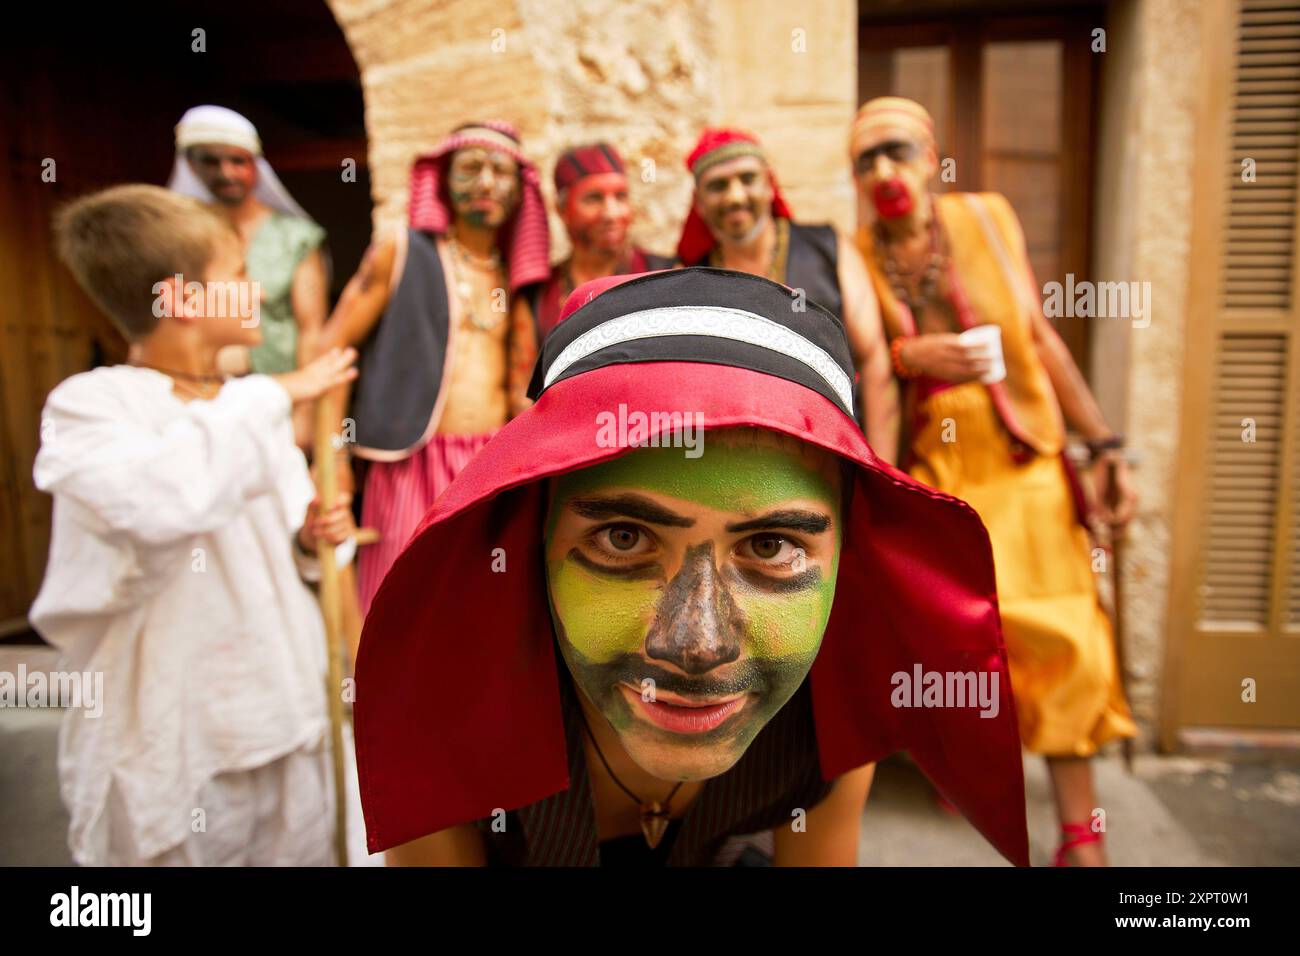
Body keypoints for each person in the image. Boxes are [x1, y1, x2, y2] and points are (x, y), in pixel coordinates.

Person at [353, 267, 1030, 867]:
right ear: (535, 538)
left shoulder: (831, 712)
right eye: (623, 538)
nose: (697, 645)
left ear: (847, 559)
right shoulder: (447, 705)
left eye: (770, 547)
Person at [32, 184, 360, 865]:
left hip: (280, 706)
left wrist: (306, 539)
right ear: (183, 300)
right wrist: (279, 390)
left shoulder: (245, 406)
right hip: (183, 734)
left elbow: (275, 544)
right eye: (238, 277)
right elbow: (165, 500)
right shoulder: (93, 408)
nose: (255, 291)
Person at [849, 96, 1138, 866]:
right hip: (940, 465)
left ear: (930, 154)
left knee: (1065, 633)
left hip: (1023, 453)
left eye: (897, 151)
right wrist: (918, 359)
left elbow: (1040, 338)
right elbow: (875, 366)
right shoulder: (857, 252)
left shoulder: (987, 217)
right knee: (966, 634)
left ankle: (1081, 835)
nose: (883, 171)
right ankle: (973, 763)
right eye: (865, 160)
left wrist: (1103, 440)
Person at [321, 121, 549, 615]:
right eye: (470, 168)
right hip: (409, 461)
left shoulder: (520, 276)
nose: (486, 182)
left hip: (491, 465)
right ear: (443, 179)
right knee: (399, 606)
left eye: (499, 171)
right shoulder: (400, 253)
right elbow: (331, 351)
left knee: (482, 610)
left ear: (518, 190)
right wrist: (334, 459)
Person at [676, 128, 898, 462]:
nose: (735, 196)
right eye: (718, 186)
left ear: (769, 185)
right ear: (700, 203)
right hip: (734, 466)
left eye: (747, 179)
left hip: (835, 455)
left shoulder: (828, 249)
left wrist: (879, 469)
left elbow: (874, 360)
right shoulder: (691, 279)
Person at [167, 105, 329, 445]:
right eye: (211, 162)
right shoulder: (178, 238)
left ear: (255, 165)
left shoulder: (294, 238)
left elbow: (311, 329)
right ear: (191, 165)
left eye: (237, 161)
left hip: (279, 398)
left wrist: (306, 416)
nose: (226, 173)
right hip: (199, 400)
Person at [533, 143, 674, 338]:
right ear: (561, 209)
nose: (611, 213)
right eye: (593, 198)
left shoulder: (668, 275)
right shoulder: (539, 298)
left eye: (620, 197)